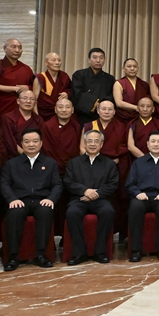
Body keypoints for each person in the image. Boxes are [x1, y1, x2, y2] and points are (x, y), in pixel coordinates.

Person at [1, 128, 61, 271]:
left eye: (35, 141)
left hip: (42, 200)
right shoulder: (11, 164)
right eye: (27, 141)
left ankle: (41, 255)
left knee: (46, 212)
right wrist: (12, 199)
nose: (31, 144)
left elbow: (58, 184)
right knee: (14, 213)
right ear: (21, 144)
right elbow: (4, 184)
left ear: (41, 143)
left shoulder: (50, 163)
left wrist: (51, 199)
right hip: (20, 200)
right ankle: (13, 257)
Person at [64, 130, 118, 265]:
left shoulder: (109, 164)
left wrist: (96, 194)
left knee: (108, 211)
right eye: (89, 141)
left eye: (96, 141)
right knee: (72, 212)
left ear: (101, 144)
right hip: (79, 199)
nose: (93, 144)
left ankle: (100, 252)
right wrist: (85, 191)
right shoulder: (73, 163)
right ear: (84, 143)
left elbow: (113, 184)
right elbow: (68, 182)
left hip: (101, 199)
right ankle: (79, 253)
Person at [126, 131, 159, 262]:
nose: (156, 144)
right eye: (153, 141)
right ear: (147, 144)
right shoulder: (138, 163)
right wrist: (138, 193)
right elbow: (129, 184)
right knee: (135, 207)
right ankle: (136, 250)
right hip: (142, 197)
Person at [80, 99, 129, 238]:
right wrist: (98, 161)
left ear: (114, 112)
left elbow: (123, 147)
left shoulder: (121, 126)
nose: (106, 112)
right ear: (98, 110)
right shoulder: (89, 125)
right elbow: (82, 148)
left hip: (113, 168)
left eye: (110, 109)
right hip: (91, 167)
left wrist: (113, 160)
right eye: (103, 109)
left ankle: (114, 232)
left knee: (114, 200)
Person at [41, 98, 80, 236]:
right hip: (51, 172)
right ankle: (51, 237)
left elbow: (79, 150)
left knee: (69, 204)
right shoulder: (47, 126)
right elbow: (45, 149)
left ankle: (66, 236)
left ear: (72, 110)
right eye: (61, 107)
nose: (64, 110)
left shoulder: (77, 127)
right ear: (55, 109)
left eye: (67, 107)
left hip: (71, 172)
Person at [0, 38, 34, 119]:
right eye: (14, 47)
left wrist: (27, 87)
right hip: (0, 106)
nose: (17, 50)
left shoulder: (26, 68)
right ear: (4, 48)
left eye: (20, 47)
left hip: (20, 108)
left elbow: (33, 87)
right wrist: (15, 89)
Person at [70, 48, 115, 125]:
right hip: (82, 115)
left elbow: (112, 95)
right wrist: (94, 103)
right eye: (95, 57)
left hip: (102, 115)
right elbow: (77, 93)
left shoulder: (110, 78)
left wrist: (101, 105)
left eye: (101, 58)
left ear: (104, 60)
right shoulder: (79, 75)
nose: (98, 60)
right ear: (89, 60)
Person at [0, 90, 44, 157]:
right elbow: (9, 140)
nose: (28, 101)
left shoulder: (39, 120)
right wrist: (25, 155)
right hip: (13, 156)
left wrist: (33, 156)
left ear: (35, 103)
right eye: (25, 98)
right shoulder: (8, 118)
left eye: (32, 99)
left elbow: (41, 140)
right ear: (18, 101)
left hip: (34, 155)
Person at [33, 52, 71, 120]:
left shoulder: (64, 76)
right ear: (46, 63)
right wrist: (37, 117)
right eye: (53, 60)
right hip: (43, 114)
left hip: (61, 112)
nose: (57, 63)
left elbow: (71, 90)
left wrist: (67, 93)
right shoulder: (40, 77)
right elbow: (34, 99)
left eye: (59, 60)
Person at [112, 58, 150, 125]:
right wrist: (136, 108)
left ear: (138, 69)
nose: (132, 69)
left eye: (135, 66)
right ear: (123, 69)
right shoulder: (119, 83)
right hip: (123, 118)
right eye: (129, 66)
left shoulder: (144, 84)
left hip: (140, 117)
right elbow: (119, 103)